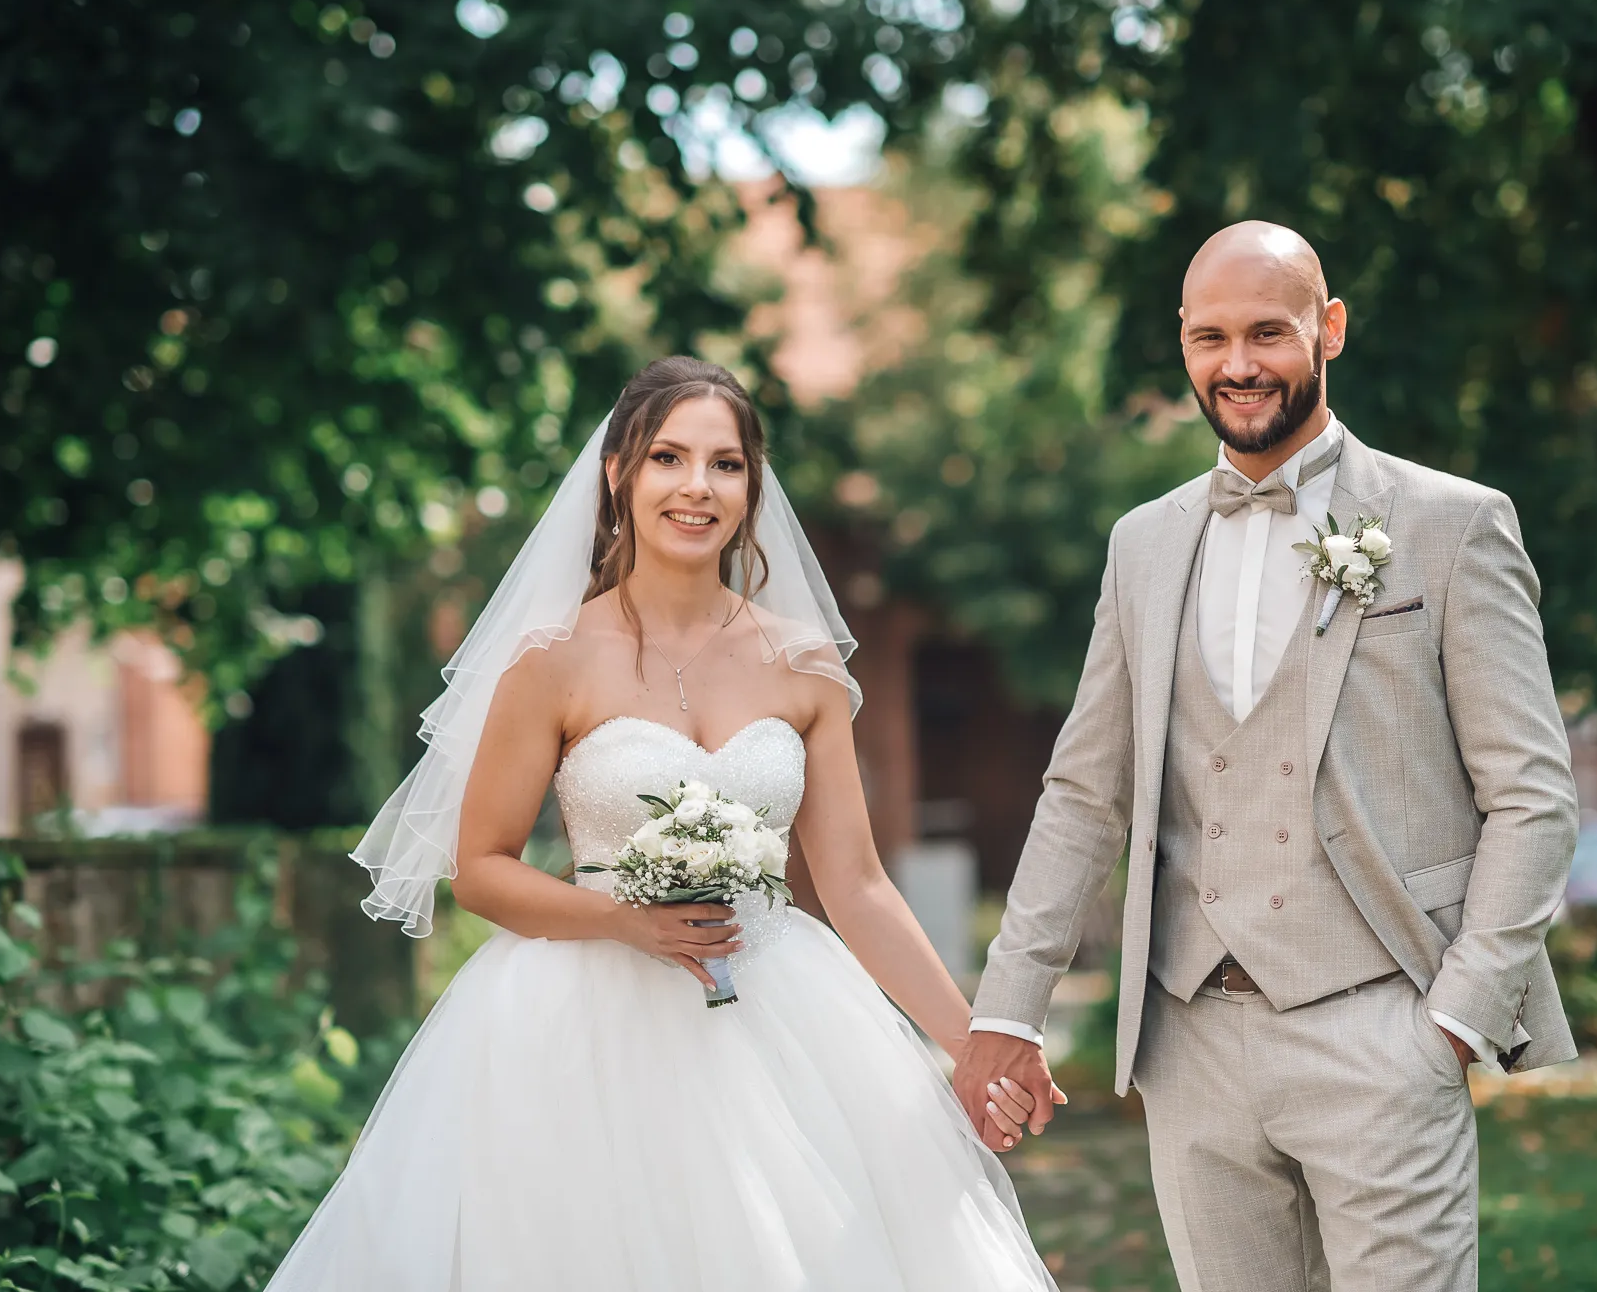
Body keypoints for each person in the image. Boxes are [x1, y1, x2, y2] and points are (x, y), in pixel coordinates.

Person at [265, 357, 1057, 1291]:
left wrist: (978, 1044)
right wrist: (621, 920)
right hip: (581, 1024)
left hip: (779, 1007)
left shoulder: (802, 666)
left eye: (726, 464)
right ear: (619, 475)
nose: (697, 487)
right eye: (669, 458)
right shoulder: (551, 659)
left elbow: (856, 883)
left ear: (752, 485)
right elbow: (479, 868)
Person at [953, 222, 1580, 1291]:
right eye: (1210, 338)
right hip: (1192, 1040)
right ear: (1184, 345)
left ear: (1328, 330)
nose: (1237, 364)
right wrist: (1010, 1008)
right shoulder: (1141, 545)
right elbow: (1083, 794)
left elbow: (1534, 800)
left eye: (1267, 332)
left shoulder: (1451, 526)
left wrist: (1455, 1023)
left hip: (1382, 1027)